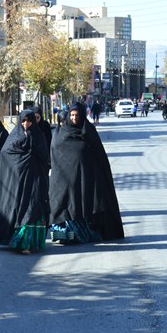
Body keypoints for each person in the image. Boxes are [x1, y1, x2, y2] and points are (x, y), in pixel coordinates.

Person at [49, 102, 125, 244]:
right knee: (65, 206)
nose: (74, 118)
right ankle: (64, 236)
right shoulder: (61, 132)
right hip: (64, 179)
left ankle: (81, 235)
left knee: (84, 205)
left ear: (82, 115)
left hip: (86, 178)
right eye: (72, 115)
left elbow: (99, 155)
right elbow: (55, 153)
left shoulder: (88, 130)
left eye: (77, 115)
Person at [0, 109, 50, 255]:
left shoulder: (39, 136)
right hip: (18, 181)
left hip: (35, 179)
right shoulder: (14, 136)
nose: (26, 123)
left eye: (29, 121)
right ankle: (20, 242)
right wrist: (24, 157)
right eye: (23, 121)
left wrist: (33, 152)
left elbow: (45, 156)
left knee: (32, 208)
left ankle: (30, 242)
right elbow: (6, 153)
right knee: (20, 209)